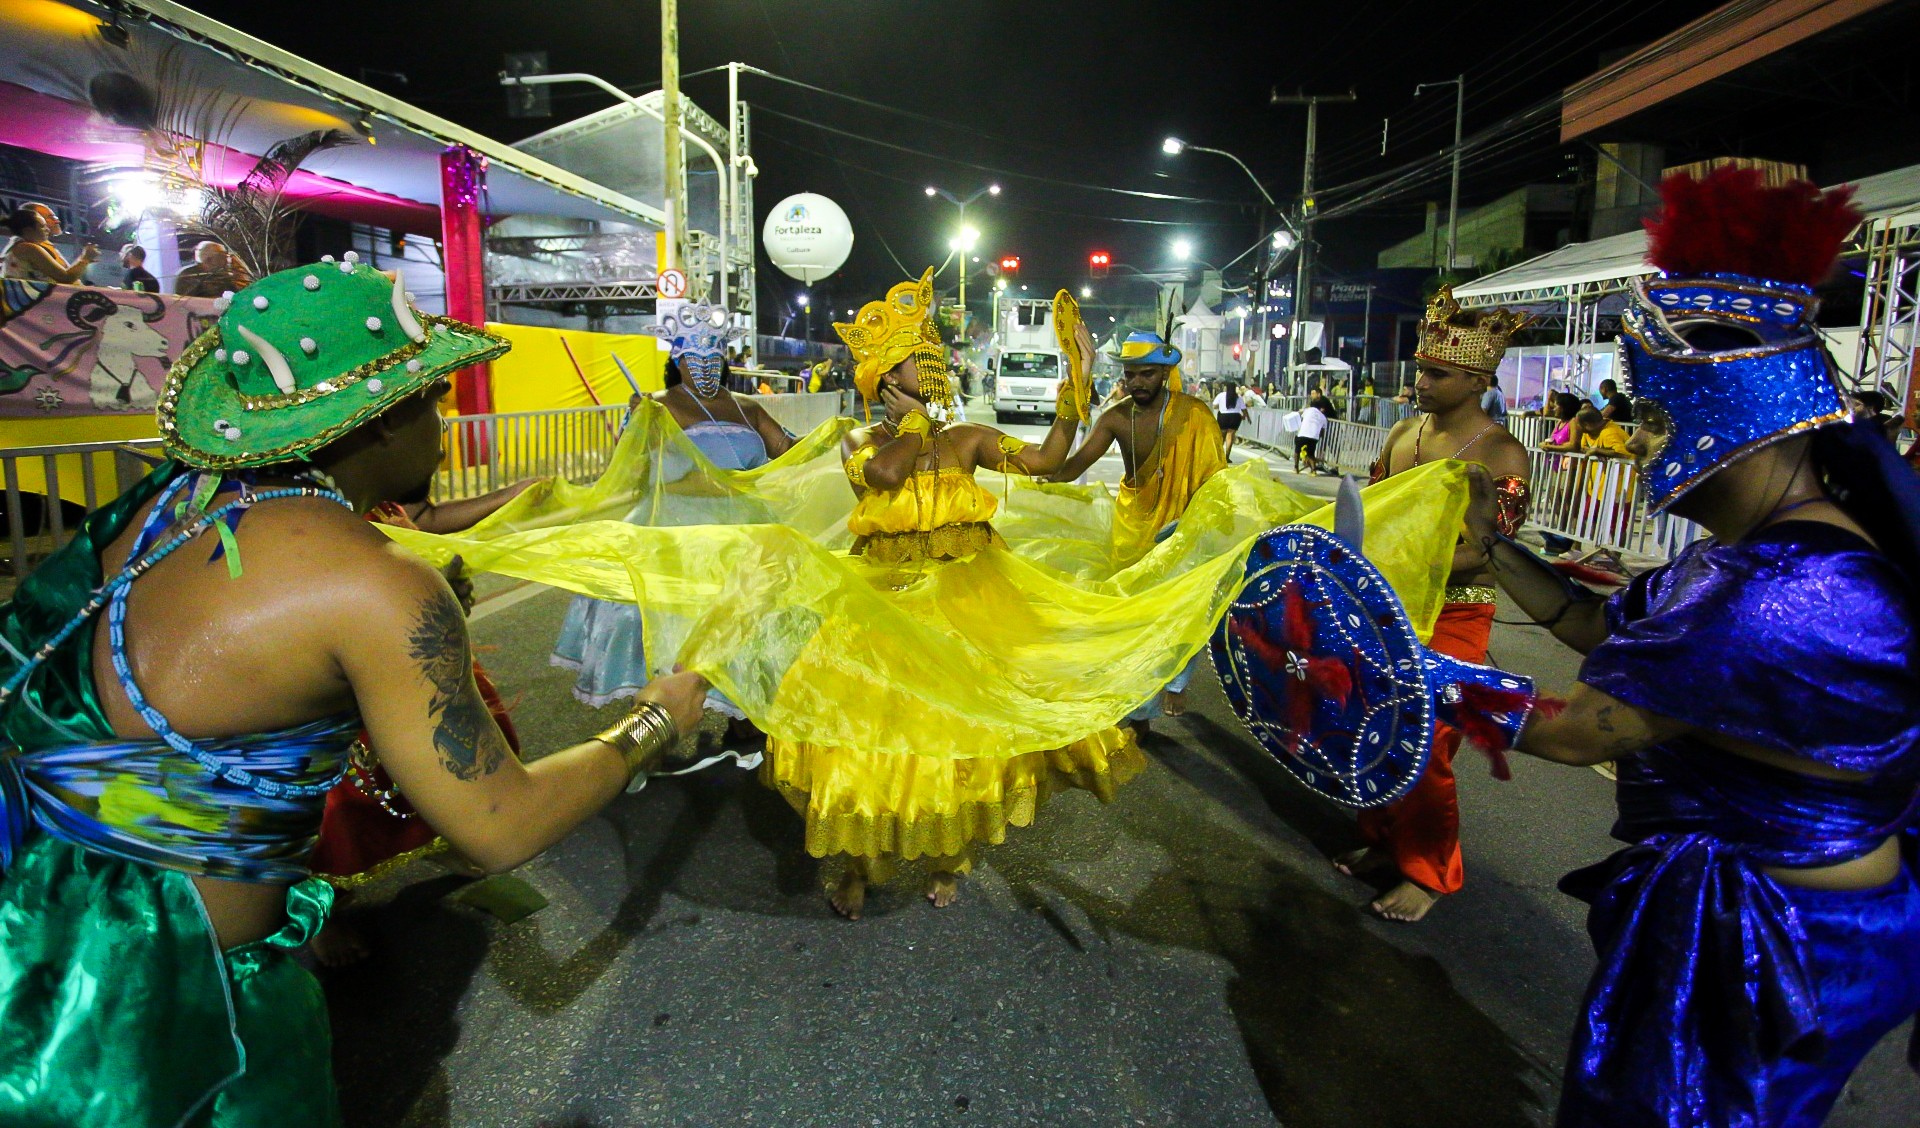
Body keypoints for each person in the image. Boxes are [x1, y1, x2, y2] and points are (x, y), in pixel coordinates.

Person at [0, 256, 710, 1124]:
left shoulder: (164, 504)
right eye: (435, 400)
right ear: (378, 422)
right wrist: (655, 718)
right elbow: (501, 825)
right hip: (179, 1032)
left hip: (35, 937)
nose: (445, 423)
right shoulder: (372, 582)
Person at [1470, 167, 1920, 1127]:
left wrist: (1403, 678)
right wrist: (1495, 553)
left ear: (1733, 409)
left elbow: (1577, 732)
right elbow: (1600, 629)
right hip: (1772, 920)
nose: (1633, 444)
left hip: (1790, 945)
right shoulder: (1751, 556)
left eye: (1654, 417)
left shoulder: (1790, 591)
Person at [774, 267, 1133, 918]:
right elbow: (883, 476)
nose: (934, 361)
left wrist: (1077, 380)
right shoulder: (861, 440)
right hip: (884, 616)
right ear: (885, 378)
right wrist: (911, 427)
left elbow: (1047, 461)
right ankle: (857, 863)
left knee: (957, 740)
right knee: (869, 742)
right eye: (918, 356)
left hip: (964, 608)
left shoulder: (965, 439)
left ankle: (948, 856)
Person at [1333, 285, 1532, 923]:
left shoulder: (1502, 452)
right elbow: (1369, 512)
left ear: (1476, 379)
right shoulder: (1401, 432)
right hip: (1390, 603)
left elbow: (1488, 549)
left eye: (1436, 373)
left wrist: (1413, 551)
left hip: (1458, 609)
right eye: (1420, 369)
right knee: (1371, 727)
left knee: (1426, 739)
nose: (1420, 381)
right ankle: (1384, 840)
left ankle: (1430, 872)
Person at [554, 303, 793, 721]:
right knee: (663, 634)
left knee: (750, 627)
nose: (704, 365)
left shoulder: (745, 407)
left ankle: (746, 726)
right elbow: (632, 471)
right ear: (676, 359)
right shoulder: (657, 406)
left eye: (713, 356)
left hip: (746, 534)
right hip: (677, 532)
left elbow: (785, 450)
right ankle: (652, 735)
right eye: (693, 357)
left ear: (724, 358)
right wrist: (636, 424)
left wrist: (834, 441)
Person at [1047, 331, 1227, 721]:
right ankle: (1137, 705)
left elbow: (1217, 478)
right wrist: (1038, 458)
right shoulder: (1116, 417)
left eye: (1147, 374)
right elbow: (1069, 468)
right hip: (1132, 530)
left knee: (1183, 609)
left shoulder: (1195, 414)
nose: (1137, 383)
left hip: (1184, 527)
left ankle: (1175, 683)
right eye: (1131, 375)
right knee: (1136, 618)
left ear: (1164, 374)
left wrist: (1195, 524)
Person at [1537, 391, 1585, 555]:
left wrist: (1552, 447)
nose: (1554, 408)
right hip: (1555, 466)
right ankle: (1559, 535)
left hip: (1568, 467)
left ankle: (1569, 541)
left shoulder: (1573, 422)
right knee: (1554, 499)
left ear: (1565, 407)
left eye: (1557, 405)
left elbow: (1574, 445)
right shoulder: (1559, 423)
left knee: (1567, 503)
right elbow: (1546, 411)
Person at [2, 203, 97, 284]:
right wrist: (85, 258)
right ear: (28, 230)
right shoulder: (28, 248)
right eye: (43, 226)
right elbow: (66, 278)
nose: (47, 229)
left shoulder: (20, 247)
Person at [172, 240, 251, 298]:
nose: (227, 259)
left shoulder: (224, 276)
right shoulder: (188, 276)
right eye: (222, 255)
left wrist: (239, 271)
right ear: (209, 259)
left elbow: (243, 294)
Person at [1213, 379, 1248, 459]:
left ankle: (1219, 456)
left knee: (1222, 437)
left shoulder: (1221, 395)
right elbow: (1243, 409)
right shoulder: (1238, 397)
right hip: (1235, 417)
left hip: (1223, 417)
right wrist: (1245, 416)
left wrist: (1221, 406)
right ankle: (1227, 456)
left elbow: (1214, 406)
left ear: (1226, 387)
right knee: (1230, 437)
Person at [1295, 393, 1328, 474]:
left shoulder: (1308, 410)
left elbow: (1302, 419)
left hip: (1303, 433)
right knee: (1311, 454)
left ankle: (1296, 468)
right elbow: (1322, 432)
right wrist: (1317, 438)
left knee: (1297, 451)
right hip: (1314, 436)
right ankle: (1313, 470)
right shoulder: (1323, 417)